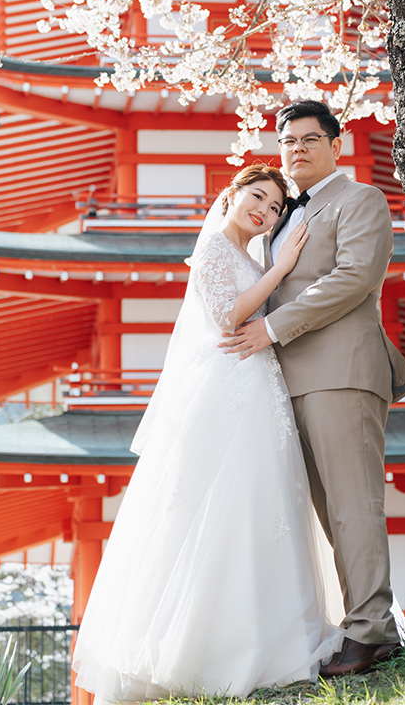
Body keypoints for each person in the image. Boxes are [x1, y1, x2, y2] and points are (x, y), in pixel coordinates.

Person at [70, 164, 344, 701]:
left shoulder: (250, 255)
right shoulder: (216, 248)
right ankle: (201, 648)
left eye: (272, 207)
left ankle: (267, 637)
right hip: (224, 391)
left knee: (262, 506)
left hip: (259, 390)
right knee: (213, 505)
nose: (263, 210)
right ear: (234, 193)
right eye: (256, 196)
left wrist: (274, 266)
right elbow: (226, 315)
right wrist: (282, 266)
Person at [220, 100, 405, 677]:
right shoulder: (278, 216)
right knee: (323, 512)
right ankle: (350, 624)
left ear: (336, 144)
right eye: (287, 141)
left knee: (354, 506)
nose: (298, 149)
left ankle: (373, 632)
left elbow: (355, 278)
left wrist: (272, 327)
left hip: (342, 372)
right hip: (283, 384)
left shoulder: (359, 200)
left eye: (310, 138)